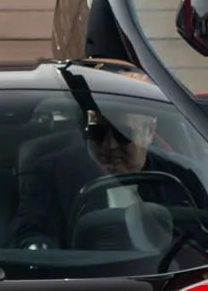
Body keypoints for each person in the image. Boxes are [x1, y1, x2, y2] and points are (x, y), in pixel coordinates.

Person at [13, 106, 160, 249]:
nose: (110, 145)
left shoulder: (176, 175)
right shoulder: (54, 172)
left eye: (122, 133)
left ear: (150, 132)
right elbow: (33, 234)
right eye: (98, 132)